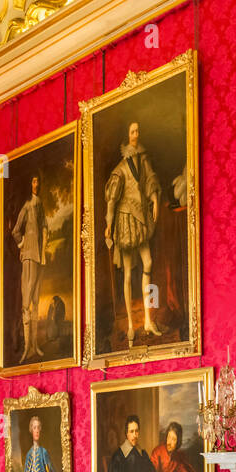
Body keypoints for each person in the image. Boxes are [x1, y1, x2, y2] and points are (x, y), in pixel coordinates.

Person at [104, 121, 162, 344]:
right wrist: (109, 224)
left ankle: (148, 319)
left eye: (138, 130)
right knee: (127, 274)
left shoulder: (143, 158)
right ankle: (130, 324)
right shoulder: (119, 170)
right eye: (132, 131)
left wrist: (155, 199)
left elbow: (149, 179)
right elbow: (111, 201)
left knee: (148, 263)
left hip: (141, 219)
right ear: (127, 136)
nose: (136, 134)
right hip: (126, 221)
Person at [10, 173, 47, 362]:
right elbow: (16, 230)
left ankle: (34, 345)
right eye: (33, 180)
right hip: (28, 255)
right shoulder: (26, 205)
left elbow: (44, 225)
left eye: (37, 180)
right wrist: (22, 243)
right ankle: (27, 348)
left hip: (38, 255)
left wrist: (43, 249)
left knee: (35, 300)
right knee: (27, 301)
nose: (36, 183)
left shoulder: (38, 203)